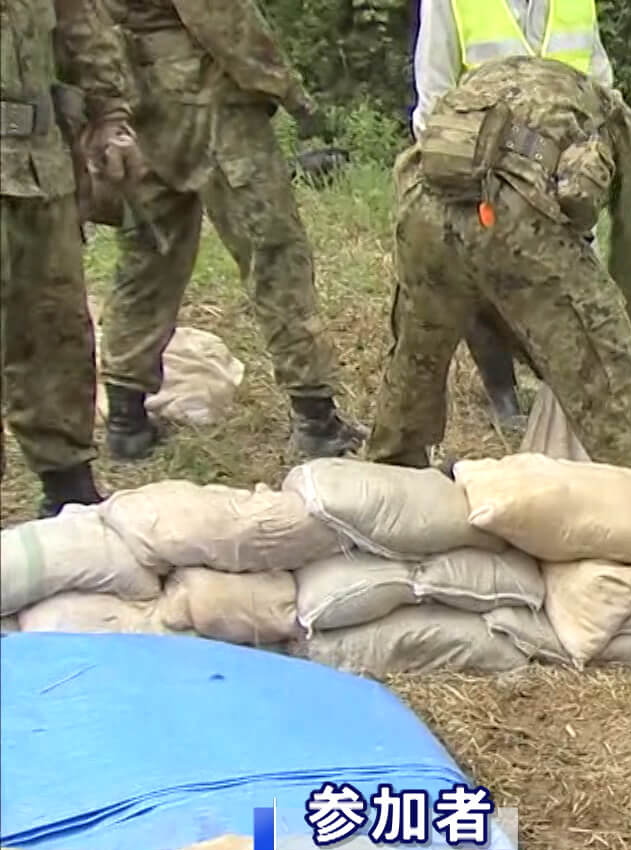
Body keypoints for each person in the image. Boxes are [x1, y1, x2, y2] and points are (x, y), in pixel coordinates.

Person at [363, 55, 631, 476]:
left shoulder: (496, 80)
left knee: (415, 358)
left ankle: (389, 474)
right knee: (609, 387)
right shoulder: (620, 122)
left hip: (424, 204)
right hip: (517, 216)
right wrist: (612, 336)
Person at [96, 0, 364, 461]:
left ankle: (125, 417)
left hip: (130, 99)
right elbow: (220, 15)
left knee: (148, 253)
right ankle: (315, 417)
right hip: (205, 98)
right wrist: (285, 89)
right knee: (273, 252)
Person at [410, 0, 620, 436]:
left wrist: (593, 158)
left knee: (577, 293)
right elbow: (435, 90)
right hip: (488, 174)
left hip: (564, 178)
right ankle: (502, 393)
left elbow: (601, 81)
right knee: (485, 288)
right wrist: (448, 169)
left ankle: (568, 387)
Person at [2, 0, 142, 516]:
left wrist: (110, 115)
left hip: (41, 167)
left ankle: (67, 485)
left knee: (56, 327)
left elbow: (81, 19)